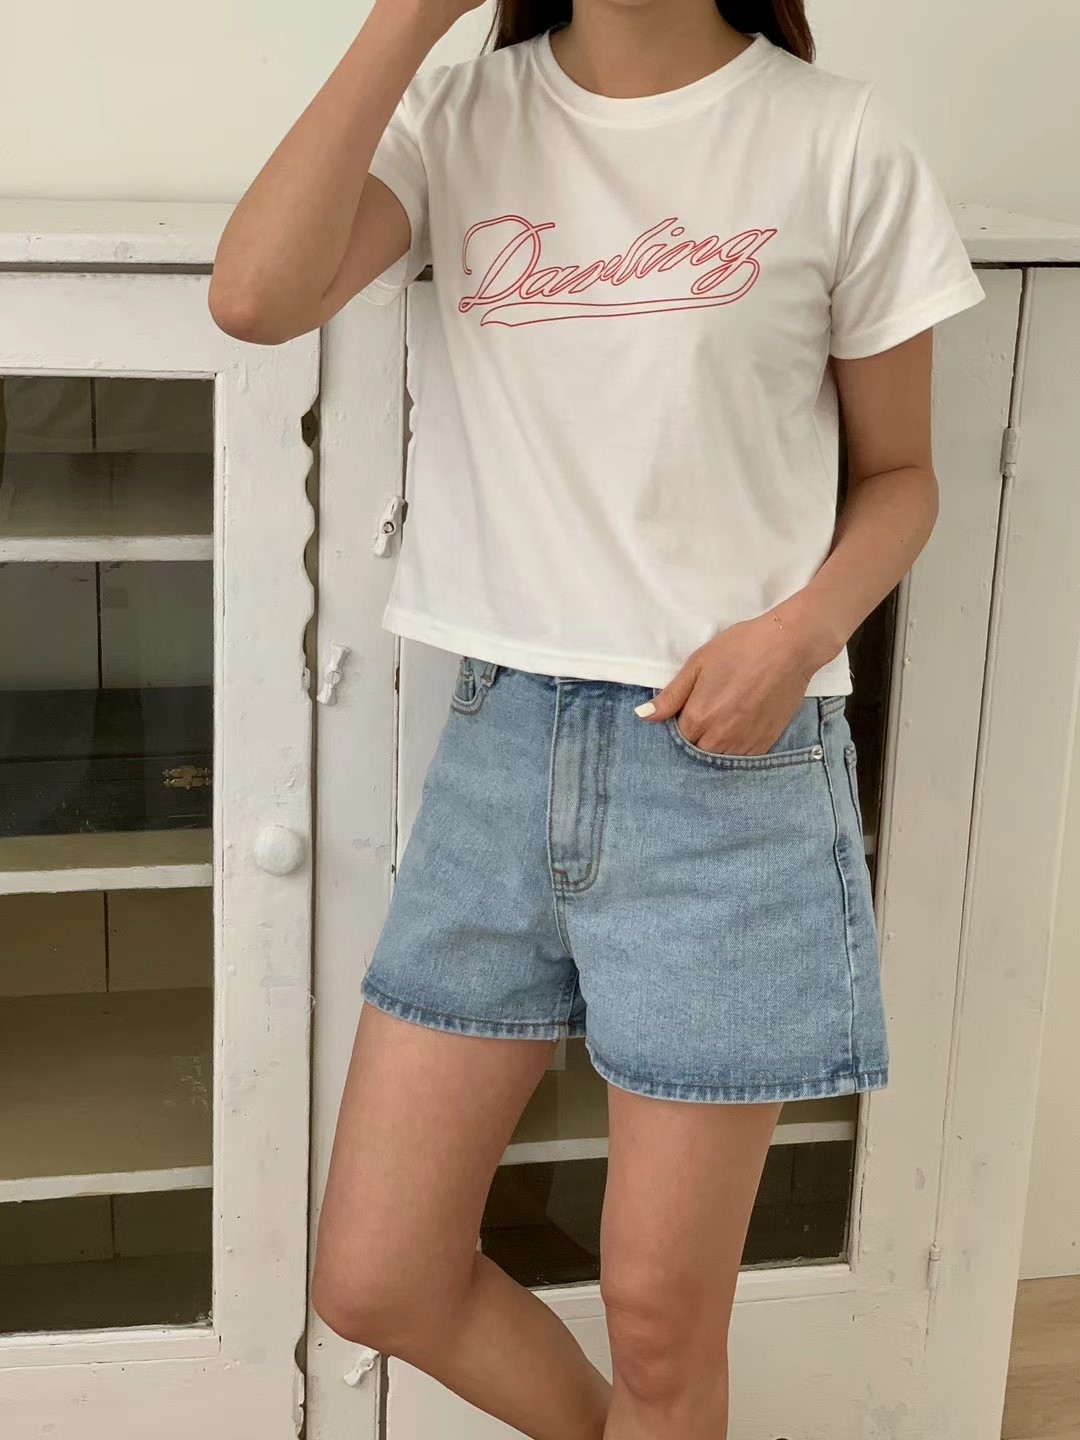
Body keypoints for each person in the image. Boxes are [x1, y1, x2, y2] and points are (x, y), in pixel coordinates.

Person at [209, 0, 984, 1434]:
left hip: (727, 769)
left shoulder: (838, 138)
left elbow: (904, 476)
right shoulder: (460, 116)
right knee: (378, 1275)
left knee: (663, 1336)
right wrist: (409, 17)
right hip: (500, 755)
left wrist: (795, 636)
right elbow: (255, 298)